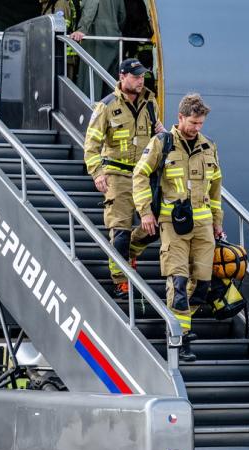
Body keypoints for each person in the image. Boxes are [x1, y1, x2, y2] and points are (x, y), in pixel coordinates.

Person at [131, 94, 224, 362]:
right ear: (180, 118)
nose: (197, 127)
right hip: (174, 225)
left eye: (201, 123)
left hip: (204, 226)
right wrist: (146, 212)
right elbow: (140, 175)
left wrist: (218, 222)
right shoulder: (162, 143)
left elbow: (216, 188)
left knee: (203, 285)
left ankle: (179, 323)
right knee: (179, 281)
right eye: (193, 122)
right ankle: (180, 339)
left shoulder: (209, 147)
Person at [83, 58, 164, 297]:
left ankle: (129, 254)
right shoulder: (106, 106)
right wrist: (97, 173)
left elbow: (156, 139)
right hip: (116, 175)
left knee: (156, 225)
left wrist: (161, 133)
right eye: (136, 76)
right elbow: (91, 144)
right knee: (120, 230)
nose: (140, 81)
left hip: (145, 175)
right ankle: (121, 280)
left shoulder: (150, 103)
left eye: (142, 77)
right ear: (122, 76)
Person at [71, 0, 125, 98]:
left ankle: (92, 111)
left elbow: (91, 7)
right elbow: (122, 15)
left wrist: (82, 29)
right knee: (111, 83)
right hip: (114, 38)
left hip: (95, 38)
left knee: (91, 83)